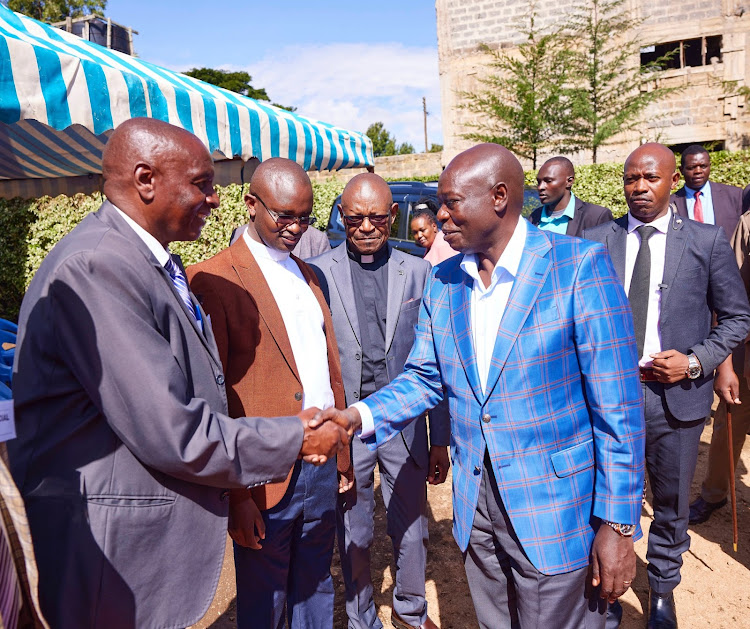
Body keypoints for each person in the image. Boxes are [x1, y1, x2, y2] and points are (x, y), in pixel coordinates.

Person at [7, 118, 347, 629]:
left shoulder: (144, 261)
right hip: (108, 554)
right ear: (145, 180)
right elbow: (174, 430)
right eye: (202, 184)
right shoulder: (99, 266)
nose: (215, 199)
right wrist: (295, 436)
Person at [314, 144, 646, 629]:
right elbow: (426, 378)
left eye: (450, 202)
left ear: (499, 197)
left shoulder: (578, 268)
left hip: (556, 513)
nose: (436, 214)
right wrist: (356, 418)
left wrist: (618, 527)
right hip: (478, 508)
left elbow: (618, 411)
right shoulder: (445, 281)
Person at [584, 143, 750, 629]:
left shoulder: (705, 240)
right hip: (609, 398)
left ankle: (661, 590)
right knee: (609, 498)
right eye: (631, 178)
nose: (639, 188)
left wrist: (697, 362)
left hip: (675, 400)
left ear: (673, 181)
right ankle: (608, 590)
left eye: (650, 178)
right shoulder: (598, 241)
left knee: (672, 503)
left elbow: (738, 317)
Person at [186, 158, 350, 629]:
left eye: (306, 217)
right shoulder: (212, 279)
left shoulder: (309, 274)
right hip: (261, 475)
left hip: (320, 463)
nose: (296, 227)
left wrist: (342, 455)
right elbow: (214, 398)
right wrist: (236, 495)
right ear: (251, 204)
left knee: (317, 583)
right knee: (264, 600)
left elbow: (325, 372)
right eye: (285, 216)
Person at [309, 174, 450, 629]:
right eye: (354, 217)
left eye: (376, 217)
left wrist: (439, 438)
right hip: (347, 423)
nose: (366, 226)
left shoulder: (419, 271)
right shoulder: (317, 271)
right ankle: (360, 615)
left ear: (394, 216)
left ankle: (411, 611)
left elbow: (436, 362)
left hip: (404, 423)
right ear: (341, 216)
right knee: (353, 529)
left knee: (411, 525)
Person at [689, 209, 750, 524]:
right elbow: (728, 294)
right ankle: (714, 494)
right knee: (730, 425)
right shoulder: (749, 222)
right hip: (746, 350)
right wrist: (725, 358)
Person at [671, 144, 744, 241]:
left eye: (703, 166)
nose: (698, 171)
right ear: (681, 170)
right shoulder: (670, 203)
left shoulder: (735, 195)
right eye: (692, 167)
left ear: (710, 166)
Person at [529, 156, 613, 237]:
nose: (540, 187)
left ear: (569, 181)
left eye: (548, 181)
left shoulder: (596, 216)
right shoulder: (534, 217)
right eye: (539, 182)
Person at [231, 221, 330, 260]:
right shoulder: (240, 235)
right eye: (284, 215)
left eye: (304, 217)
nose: (295, 228)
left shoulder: (317, 239)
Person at [409, 197, 459, 265]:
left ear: (434, 227)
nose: (419, 235)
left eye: (422, 230)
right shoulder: (433, 246)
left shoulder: (443, 247)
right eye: (415, 232)